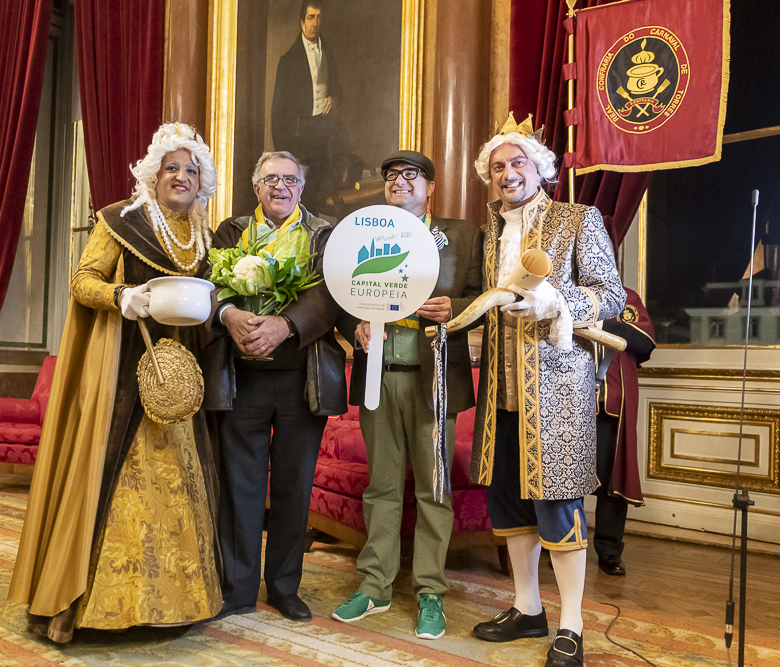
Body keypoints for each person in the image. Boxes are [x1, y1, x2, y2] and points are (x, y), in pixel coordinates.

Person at [8, 123, 222, 642]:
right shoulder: (119, 221)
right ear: (153, 174)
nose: (181, 176)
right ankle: (78, 606)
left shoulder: (204, 236)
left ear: (202, 182)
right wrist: (121, 296)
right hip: (121, 373)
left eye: (191, 169)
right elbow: (83, 280)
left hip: (179, 377)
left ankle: (172, 606)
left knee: (182, 482)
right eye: (172, 167)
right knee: (109, 476)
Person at [468, 113, 626, 667]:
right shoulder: (488, 231)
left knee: (558, 505)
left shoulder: (578, 219)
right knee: (509, 500)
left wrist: (559, 302)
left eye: (517, 163)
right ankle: (528, 608)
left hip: (558, 390)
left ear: (539, 169)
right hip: (502, 393)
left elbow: (611, 294)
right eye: (497, 167)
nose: (507, 173)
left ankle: (571, 625)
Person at [330, 150, 482, 639]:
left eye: (410, 175)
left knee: (433, 487)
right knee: (382, 487)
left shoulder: (461, 234)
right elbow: (342, 291)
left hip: (433, 376)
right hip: (379, 372)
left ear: (430, 187)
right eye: (391, 175)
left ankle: (430, 591)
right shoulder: (364, 235)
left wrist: (452, 306)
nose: (399, 181)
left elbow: (483, 296)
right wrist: (355, 327)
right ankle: (374, 585)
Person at [203, 151, 345, 623]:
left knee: (293, 487)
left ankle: (284, 587)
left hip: (300, 380)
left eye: (289, 179)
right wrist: (231, 314)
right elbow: (209, 286)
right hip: (241, 379)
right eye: (270, 179)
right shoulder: (231, 231)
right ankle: (237, 588)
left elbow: (330, 293)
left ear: (301, 189)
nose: (280, 187)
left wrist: (284, 326)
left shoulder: (324, 235)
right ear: (256, 187)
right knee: (239, 489)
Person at [593, 288, 655, 576]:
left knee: (612, 481)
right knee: (563, 478)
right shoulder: (564, 290)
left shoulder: (625, 296)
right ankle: (559, 543)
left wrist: (602, 325)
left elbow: (645, 343)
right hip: (568, 405)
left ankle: (609, 550)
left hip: (612, 404)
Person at [270, 1, 345, 212]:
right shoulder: (288, 61)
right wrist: (282, 154)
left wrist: (334, 97)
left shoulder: (328, 54)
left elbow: (338, 89)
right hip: (298, 138)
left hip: (323, 134)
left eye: (319, 17)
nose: (315, 23)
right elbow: (277, 112)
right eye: (311, 17)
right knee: (297, 195)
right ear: (302, 22)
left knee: (318, 194)